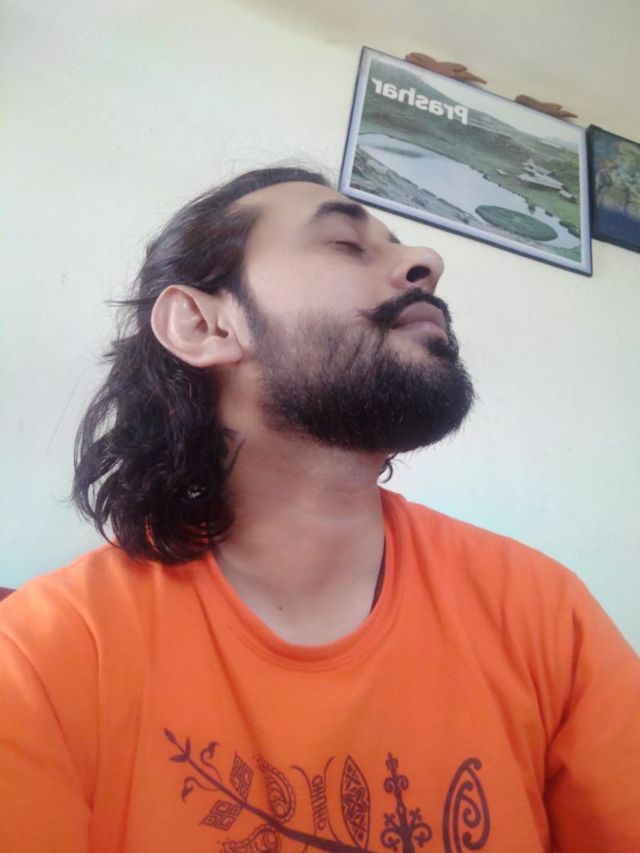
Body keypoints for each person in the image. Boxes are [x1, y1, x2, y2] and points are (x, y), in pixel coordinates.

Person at [0, 166, 638, 853]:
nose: (427, 261)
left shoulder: (543, 611)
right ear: (202, 324)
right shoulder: (42, 661)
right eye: (346, 244)